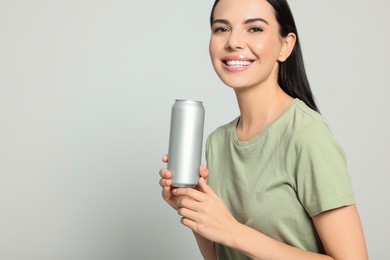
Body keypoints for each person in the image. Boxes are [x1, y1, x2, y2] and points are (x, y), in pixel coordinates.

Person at [159, 0, 368, 259]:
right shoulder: (218, 141)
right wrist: (194, 210)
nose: (233, 41)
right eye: (221, 29)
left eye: (254, 29)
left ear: (285, 45)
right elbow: (222, 254)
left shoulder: (305, 134)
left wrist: (233, 231)